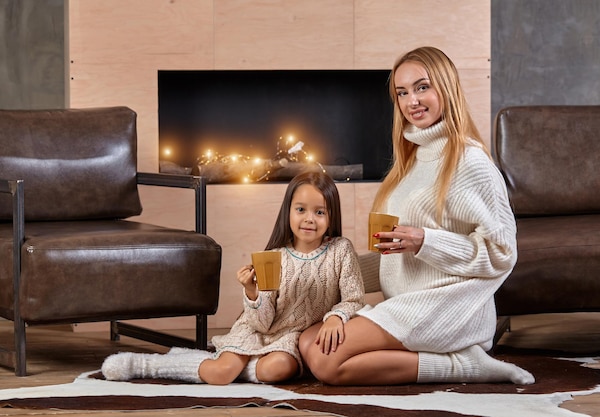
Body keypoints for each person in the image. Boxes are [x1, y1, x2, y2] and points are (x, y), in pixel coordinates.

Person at [298, 46, 535, 386]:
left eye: (423, 87)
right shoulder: (410, 164)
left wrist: (426, 241)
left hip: (445, 307)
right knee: (308, 340)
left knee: (325, 360)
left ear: (446, 87)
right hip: (406, 303)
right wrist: (325, 269)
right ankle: (439, 358)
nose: (412, 101)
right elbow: (392, 256)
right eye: (402, 92)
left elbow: (501, 254)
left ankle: (466, 365)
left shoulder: (470, 162)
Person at [101, 171, 365, 384]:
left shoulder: (340, 250)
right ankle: (149, 365)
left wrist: (335, 316)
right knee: (220, 374)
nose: (310, 219)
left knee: (277, 370)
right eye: (301, 210)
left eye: (320, 212)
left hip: (292, 339)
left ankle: (233, 365)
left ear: (331, 217)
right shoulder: (274, 257)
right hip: (258, 330)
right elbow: (262, 324)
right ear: (288, 212)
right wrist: (252, 293)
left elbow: (354, 298)